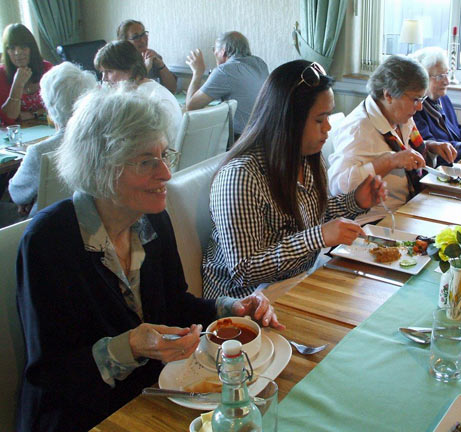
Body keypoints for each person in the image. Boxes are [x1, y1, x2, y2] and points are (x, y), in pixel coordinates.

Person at [16, 85, 283, 432]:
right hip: (83, 417)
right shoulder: (49, 241)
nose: (166, 175)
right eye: (146, 162)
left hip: (151, 397)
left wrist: (229, 309)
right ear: (102, 168)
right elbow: (49, 375)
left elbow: (174, 304)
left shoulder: (151, 219)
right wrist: (128, 346)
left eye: (164, 155)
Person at [202, 60, 387, 299]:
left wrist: (356, 202)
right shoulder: (241, 176)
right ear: (289, 120)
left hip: (297, 281)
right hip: (245, 304)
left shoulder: (306, 158)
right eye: (320, 120)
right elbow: (243, 270)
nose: (328, 127)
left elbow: (310, 217)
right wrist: (318, 236)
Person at [328, 55, 457, 211]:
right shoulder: (358, 129)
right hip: (379, 220)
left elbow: (403, 149)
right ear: (388, 95)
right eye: (416, 99)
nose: (420, 107)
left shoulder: (398, 116)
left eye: (421, 99)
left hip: (411, 206)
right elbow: (337, 186)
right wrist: (390, 161)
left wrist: (430, 147)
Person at [8, 62, 97, 217]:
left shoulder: (40, 152)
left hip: (46, 228)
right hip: (93, 222)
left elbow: (17, 194)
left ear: (50, 104)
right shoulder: (104, 140)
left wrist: (31, 199)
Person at [185, 31, 268, 139]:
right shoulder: (260, 64)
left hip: (239, 140)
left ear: (223, 52)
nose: (214, 53)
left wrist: (197, 72)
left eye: (214, 49)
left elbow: (192, 105)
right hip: (263, 134)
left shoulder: (225, 71)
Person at [94, 40, 182, 137]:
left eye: (109, 71)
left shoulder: (145, 99)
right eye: (102, 72)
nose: (104, 78)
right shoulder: (145, 89)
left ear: (129, 69)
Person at [0, 23, 52, 125]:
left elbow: (60, 106)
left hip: (46, 127)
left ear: (32, 49)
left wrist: (34, 114)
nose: (17, 53)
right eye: (12, 48)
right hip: (20, 134)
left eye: (23, 47)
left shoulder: (47, 69)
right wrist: (18, 84)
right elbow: (9, 118)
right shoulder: (1, 74)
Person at [116, 19, 177, 93]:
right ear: (124, 42)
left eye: (143, 34)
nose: (142, 40)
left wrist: (161, 65)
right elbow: (129, 91)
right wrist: (146, 67)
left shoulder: (151, 56)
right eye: (136, 37)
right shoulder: (120, 63)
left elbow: (172, 89)